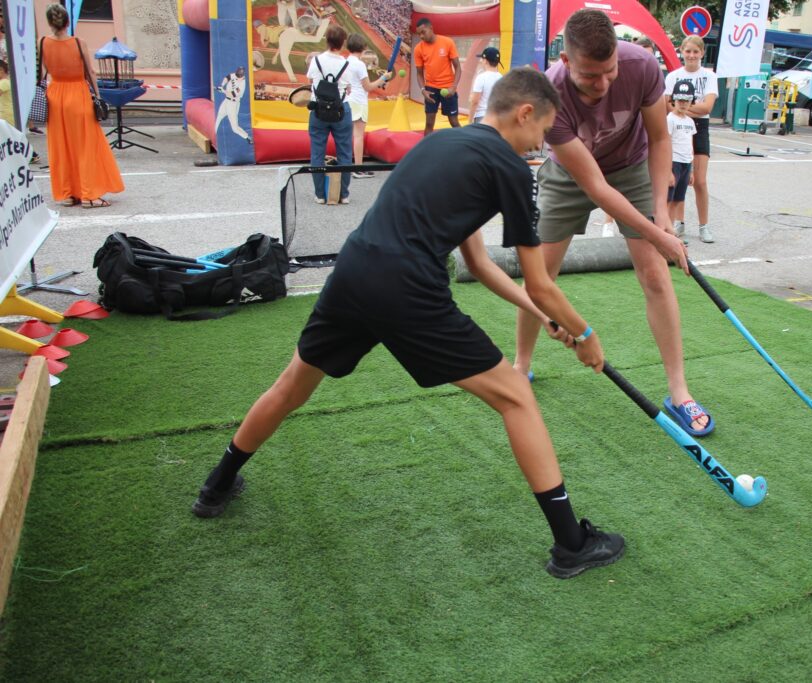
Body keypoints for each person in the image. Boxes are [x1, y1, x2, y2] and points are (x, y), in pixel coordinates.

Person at [191, 67, 626, 580]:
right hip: (407, 287)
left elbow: (480, 264)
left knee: (292, 386)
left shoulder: (441, 143)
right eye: (542, 132)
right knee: (516, 397)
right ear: (524, 113)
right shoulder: (509, 168)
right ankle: (572, 544)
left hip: (353, 272)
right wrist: (585, 335)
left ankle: (216, 485)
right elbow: (541, 282)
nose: (541, 145)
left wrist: (543, 317)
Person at [512, 9, 712, 437]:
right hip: (571, 174)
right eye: (590, 75)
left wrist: (661, 212)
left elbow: (659, 138)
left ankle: (679, 392)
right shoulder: (549, 95)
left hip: (631, 165)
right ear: (566, 62)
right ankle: (520, 366)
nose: (602, 84)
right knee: (540, 276)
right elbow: (596, 188)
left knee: (655, 274)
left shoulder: (641, 65)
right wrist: (658, 233)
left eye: (609, 72)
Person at [40, 3, 123, 208]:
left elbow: (43, 71)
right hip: (77, 93)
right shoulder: (78, 42)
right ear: (68, 22)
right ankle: (89, 194)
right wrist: (98, 95)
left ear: (50, 22)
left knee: (61, 146)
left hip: (55, 95)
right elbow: (90, 72)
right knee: (85, 145)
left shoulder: (42, 42)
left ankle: (68, 193)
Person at [664, 35, 717, 243]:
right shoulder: (673, 76)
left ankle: (704, 226)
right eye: (688, 51)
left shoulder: (709, 76)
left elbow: (707, 107)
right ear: (682, 51)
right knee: (679, 179)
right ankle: (679, 222)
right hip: (677, 127)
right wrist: (686, 109)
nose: (692, 55)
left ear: (702, 53)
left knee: (700, 180)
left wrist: (683, 108)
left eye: (696, 51)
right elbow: (667, 105)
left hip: (699, 127)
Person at [306, 24, 352, 205]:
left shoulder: (316, 61)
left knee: (317, 152)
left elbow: (311, 79)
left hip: (318, 109)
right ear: (343, 43)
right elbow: (348, 87)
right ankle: (343, 194)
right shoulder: (346, 64)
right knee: (344, 153)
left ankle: (320, 194)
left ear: (326, 40)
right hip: (341, 110)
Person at [343, 33, 391, 178]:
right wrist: (383, 78)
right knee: (358, 136)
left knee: (348, 135)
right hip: (358, 101)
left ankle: (348, 166)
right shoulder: (359, 65)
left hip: (347, 100)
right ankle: (358, 168)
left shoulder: (345, 62)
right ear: (363, 47)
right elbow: (368, 87)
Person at [413, 18, 461, 135]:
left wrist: (453, 87)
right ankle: (426, 146)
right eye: (419, 34)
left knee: (454, 122)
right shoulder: (418, 49)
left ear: (431, 28)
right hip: (431, 89)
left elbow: (458, 67)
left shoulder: (448, 42)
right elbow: (419, 73)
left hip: (448, 88)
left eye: (423, 32)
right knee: (429, 123)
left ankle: (466, 144)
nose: (421, 36)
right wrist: (423, 90)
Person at [667, 80, 697, 241]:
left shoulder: (690, 122)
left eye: (687, 100)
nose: (683, 104)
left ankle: (670, 231)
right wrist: (668, 171)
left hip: (686, 163)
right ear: (674, 100)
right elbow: (666, 144)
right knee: (667, 200)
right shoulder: (670, 119)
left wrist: (691, 170)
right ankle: (663, 231)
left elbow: (690, 145)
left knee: (677, 200)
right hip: (674, 162)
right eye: (680, 100)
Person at [214, 67, 253, 144]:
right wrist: (222, 85)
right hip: (226, 101)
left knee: (234, 128)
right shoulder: (235, 75)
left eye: (239, 76)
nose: (237, 77)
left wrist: (223, 91)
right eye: (237, 75)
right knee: (219, 116)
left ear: (242, 76)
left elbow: (232, 95)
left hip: (233, 104)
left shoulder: (242, 84)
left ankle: (247, 137)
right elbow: (227, 77)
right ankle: (214, 134)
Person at [468, 46, 502, 124]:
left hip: (482, 117)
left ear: (485, 61)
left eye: (482, 59)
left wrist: (470, 120)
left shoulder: (481, 77)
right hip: (497, 117)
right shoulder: (501, 77)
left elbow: (475, 101)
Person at [0, 59, 13, 127]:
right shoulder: (7, 81)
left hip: (5, 115)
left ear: (1, 70)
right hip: (7, 114)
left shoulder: (4, 82)